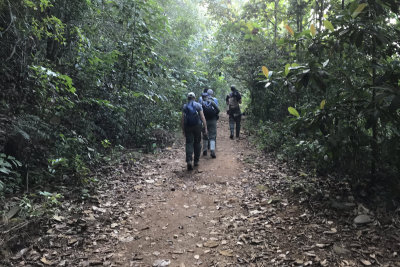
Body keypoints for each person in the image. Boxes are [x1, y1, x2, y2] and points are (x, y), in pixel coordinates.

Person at [182, 92, 208, 170]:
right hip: (197, 126)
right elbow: (202, 117)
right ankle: (196, 161)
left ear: (188, 98)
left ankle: (189, 160)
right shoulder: (198, 105)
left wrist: (183, 129)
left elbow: (182, 119)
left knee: (189, 142)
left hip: (188, 126)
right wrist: (205, 128)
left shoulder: (185, 106)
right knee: (197, 142)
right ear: (194, 97)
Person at [201, 92, 220, 158]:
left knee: (204, 135)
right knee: (212, 136)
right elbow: (218, 110)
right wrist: (215, 115)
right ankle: (212, 151)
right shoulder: (212, 102)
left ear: (202, 97)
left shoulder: (201, 104)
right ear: (208, 97)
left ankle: (205, 150)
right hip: (212, 120)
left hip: (204, 121)